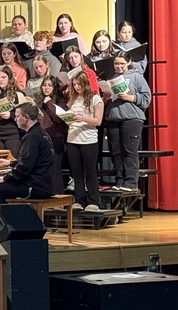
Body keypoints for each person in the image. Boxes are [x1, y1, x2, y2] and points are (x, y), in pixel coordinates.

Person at [0, 103, 56, 217]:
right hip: (43, 184)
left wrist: (4, 178)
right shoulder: (39, 132)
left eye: (17, 116)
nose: (16, 119)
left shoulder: (32, 137)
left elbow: (24, 168)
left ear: (26, 118)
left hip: (36, 187)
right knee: (1, 188)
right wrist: (10, 163)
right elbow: (33, 161)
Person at [103, 55, 152, 192]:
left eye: (122, 64)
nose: (119, 67)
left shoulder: (136, 77)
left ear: (128, 62)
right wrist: (105, 98)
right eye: (116, 64)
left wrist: (130, 97)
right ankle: (120, 180)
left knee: (129, 150)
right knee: (116, 151)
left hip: (131, 118)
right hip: (113, 118)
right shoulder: (110, 78)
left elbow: (146, 98)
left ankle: (131, 182)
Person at [65, 70, 104, 212]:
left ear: (85, 83)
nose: (76, 87)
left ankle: (94, 200)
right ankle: (79, 200)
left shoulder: (95, 99)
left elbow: (98, 121)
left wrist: (83, 119)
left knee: (90, 171)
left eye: (79, 84)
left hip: (88, 139)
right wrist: (67, 119)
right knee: (76, 173)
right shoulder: (73, 100)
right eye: (74, 84)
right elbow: (70, 120)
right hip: (73, 138)